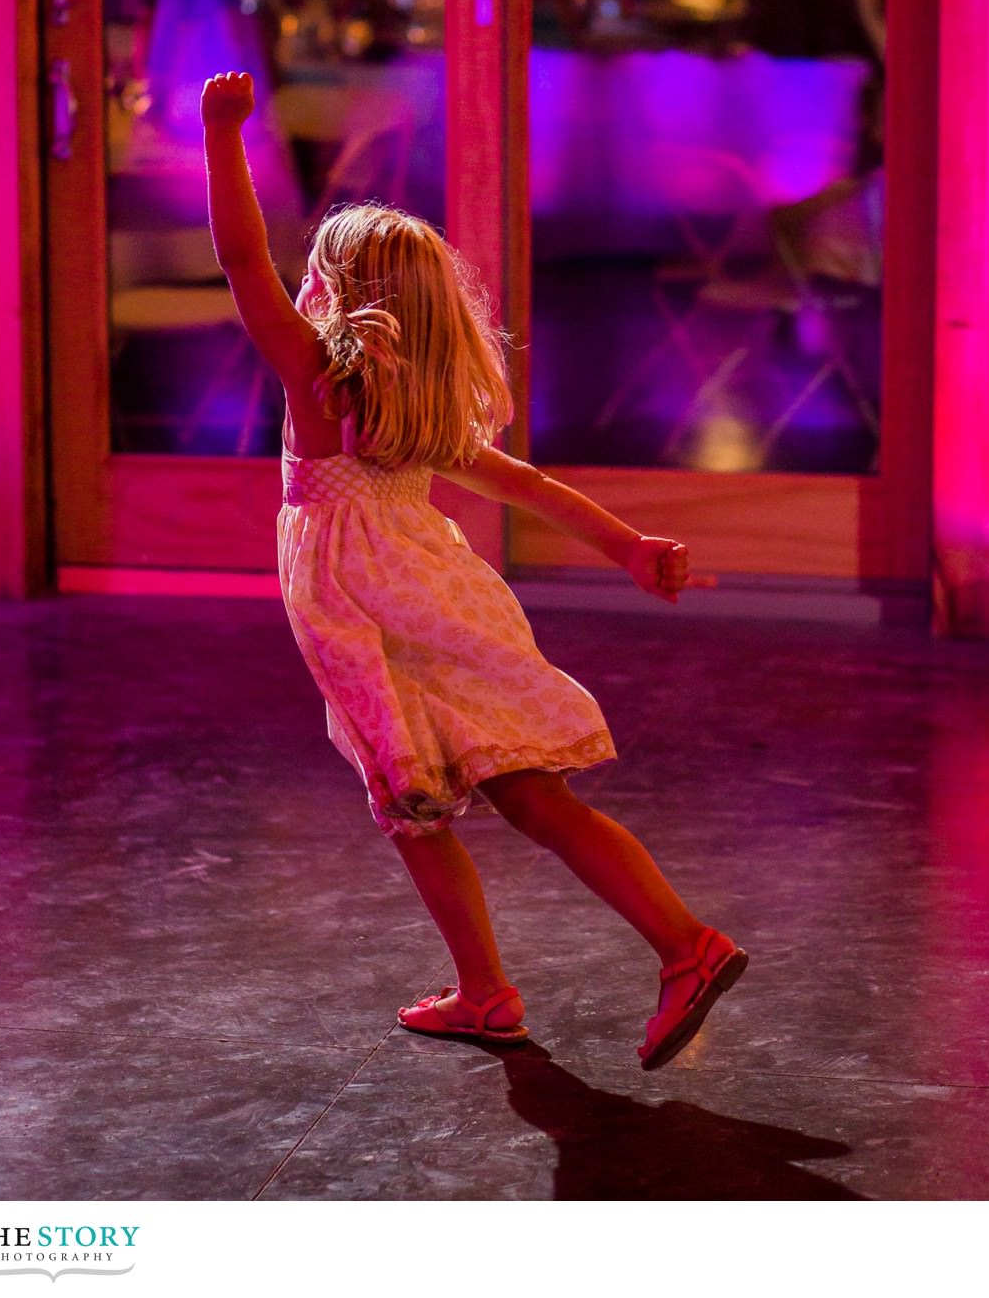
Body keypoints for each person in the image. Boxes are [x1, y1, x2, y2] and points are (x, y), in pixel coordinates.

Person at [201, 70, 748, 1068]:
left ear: (339, 296)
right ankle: (682, 942)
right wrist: (629, 546)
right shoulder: (416, 411)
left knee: (410, 808)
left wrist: (221, 132)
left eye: (318, 275)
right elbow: (529, 483)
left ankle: (491, 988)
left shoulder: (321, 379)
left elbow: (240, 258)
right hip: (439, 599)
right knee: (535, 796)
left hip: (363, 619)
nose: (304, 288)